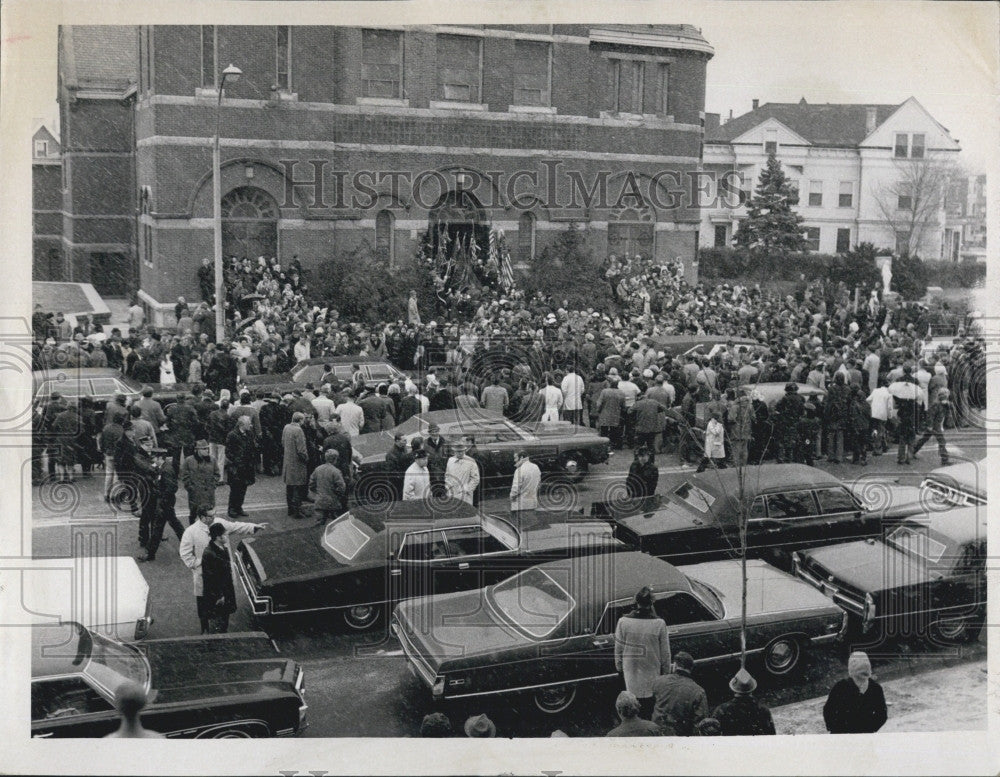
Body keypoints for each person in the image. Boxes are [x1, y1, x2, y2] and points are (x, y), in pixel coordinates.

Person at [179, 507, 265, 634]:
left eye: (214, 515)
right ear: (202, 517)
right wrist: (201, 564)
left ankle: (221, 629)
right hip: (204, 576)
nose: (214, 518)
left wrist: (253, 527)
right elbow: (185, 554)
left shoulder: (219, 524)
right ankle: (206, 630)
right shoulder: (191, 532)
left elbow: (236, 527)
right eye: (210, 516)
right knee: (205, 606)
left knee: (224, 606)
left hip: (223, 574)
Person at [614, 586, 671, 720]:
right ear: (652, 603)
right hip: (652, 672)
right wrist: (666, 672)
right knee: (650, 708)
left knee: (632, 706)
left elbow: (618, 649)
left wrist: (619, 667)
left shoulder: (623, 622)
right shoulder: (659, 624)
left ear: (636, 602)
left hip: (631, 672)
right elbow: (665, 653)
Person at [136, 446, 184, 562]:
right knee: (172, 524)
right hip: (164, 502)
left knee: (159, 527)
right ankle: (188, 546)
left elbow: (172, 487)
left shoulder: (166, 470)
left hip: (164, 502)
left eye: (155, 458)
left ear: (160, 458)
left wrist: (161, 498)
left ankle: (150, 554)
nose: (153, 461)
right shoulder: (162, 467)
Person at [823, 651, 887, 734]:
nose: (862, 676)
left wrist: (869, 728)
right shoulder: (841, 688)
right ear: (852, 671)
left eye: (865, 671)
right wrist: (837, 730)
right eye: (860, 672)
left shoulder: (875, 689)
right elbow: (829, 711)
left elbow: (882, 714)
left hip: (865, 734)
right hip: (843, 735)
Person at [650, 651, 709, 736]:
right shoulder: (698, 691)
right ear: (691, 669)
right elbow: (700, 724)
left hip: (656, 734)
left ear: (674, 666)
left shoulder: (658, 681)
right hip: (679, 738)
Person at [711, 668, 775, 736]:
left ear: (733, 690)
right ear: (752, 690)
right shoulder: (763, 710)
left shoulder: (721, 710)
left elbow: (714, 736)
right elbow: (771, 734)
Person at [201, 522, 237, 633]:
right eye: (225, 535)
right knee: (218, 621)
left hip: (225, 591)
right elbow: (210, 579)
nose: (226, 537)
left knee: (224, 618)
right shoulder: (209, 554)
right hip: (218, 595)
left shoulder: (222, 549)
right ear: (218, 537)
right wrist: (219, 595)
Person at [224, 416, 258, 518]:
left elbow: (252, 448)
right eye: (249, 424)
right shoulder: (232, 435)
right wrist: (237, 461)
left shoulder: (249, 434)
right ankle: (232, 509)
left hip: (247, 467)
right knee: (235, 489)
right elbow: (228, 452)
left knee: (243, 488)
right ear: (242, 424)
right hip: (236, 468)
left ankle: (239, 507)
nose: (251, 425)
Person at [180, 439, 218, 524]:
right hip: (195, 493)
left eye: (207, 448)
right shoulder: (189, 460)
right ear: (197, 450)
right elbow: (185, 476)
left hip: (209, 493)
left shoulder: (212, 460)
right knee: (194, 513)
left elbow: (217, 474)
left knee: (209, 514)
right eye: (203, 449)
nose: (206, 450)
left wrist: (213, 485)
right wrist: (190, 487)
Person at [912, 388, 952, 465]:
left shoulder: (943, 404)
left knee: (924, 439)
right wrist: (930, 425)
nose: (946, 397)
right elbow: (930, 416)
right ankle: (944, 459)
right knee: (941, 441)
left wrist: (947, 405)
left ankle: (913, 450)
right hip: (935, 425)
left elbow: (949, 410)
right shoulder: (936, 404)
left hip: (935, 425)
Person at [282, 412, 310, 517]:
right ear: (301, 420)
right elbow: (301, 450)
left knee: (289, 487)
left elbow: (282, 442)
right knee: (298, 487)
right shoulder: (298, 430)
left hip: (288, 461)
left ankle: (290, 509)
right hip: (297, 463)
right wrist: (306, 459)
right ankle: (297, 511)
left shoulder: (286, 427)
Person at [309, 448, 347, 525]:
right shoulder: (336, 471)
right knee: (336, 524)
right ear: (335, 459)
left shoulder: (318, 469)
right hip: (333, 501)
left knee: (319, 523)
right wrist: (338, 494)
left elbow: (311, 484)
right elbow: (342, 487)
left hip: (320, 500)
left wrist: (318, 491)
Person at [509, 449, 541, 526]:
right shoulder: (536, 467)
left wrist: (511, 497)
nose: (514, 460)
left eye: (515, 458)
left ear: (522, 457)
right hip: (532, 502)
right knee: (530, 526)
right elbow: (539, 483)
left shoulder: (519, 470)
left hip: (519, 505)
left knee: (518, 528)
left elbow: (515, 489)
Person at [445, 438, 480, 505]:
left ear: (465, 451)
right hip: (452, 493)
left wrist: (466, 489)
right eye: (458, 451)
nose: (460, 453)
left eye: (462, 451)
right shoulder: (450, 460)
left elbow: (475, 479)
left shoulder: (471, 461)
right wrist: (447, 486)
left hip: (465, 495)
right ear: (454, 451)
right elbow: (447, 475)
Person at [384, 433, 414, 501]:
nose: (406, 442)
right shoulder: (391, 454)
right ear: (397, 441)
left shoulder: (404, 449)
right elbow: (392, 472)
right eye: (404, 440)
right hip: (396, 485)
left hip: (403, 481)